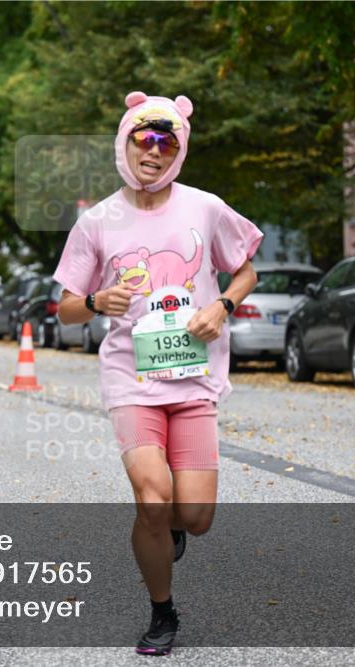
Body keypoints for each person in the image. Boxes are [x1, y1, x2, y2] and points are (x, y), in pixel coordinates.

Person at [54, 91, 262, 656]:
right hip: (131, 379)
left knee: (195, 516)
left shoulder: (205, 208)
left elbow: (246, 272)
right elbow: (66, 308)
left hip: (193, 378)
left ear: (179, 150)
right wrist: (96, 301)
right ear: (124, 143)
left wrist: (223, 305)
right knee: (152, 497)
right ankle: (162, 611)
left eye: (165, 143)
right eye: (142, 139)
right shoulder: (97, 221)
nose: (153, 151)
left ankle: (173, 526)